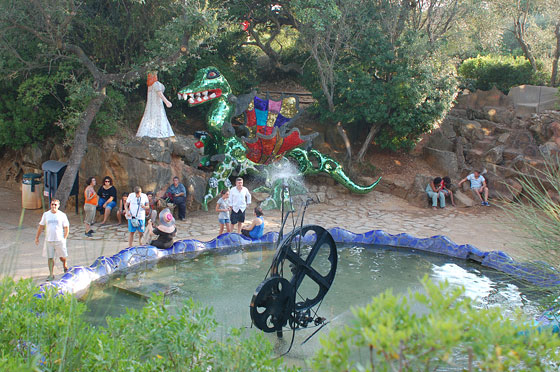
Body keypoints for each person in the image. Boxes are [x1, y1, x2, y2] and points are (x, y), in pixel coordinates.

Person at [35, 199, 69, 281]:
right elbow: (41, 226)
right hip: (49, 240)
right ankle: (51, 274)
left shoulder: (62, 215)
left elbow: (66, 227)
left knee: (62, 257)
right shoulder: (46, 214)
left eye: (55, 205)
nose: (53, 206)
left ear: (58, 206)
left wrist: (64, 237)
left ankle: (65, 265)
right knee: (50, 258)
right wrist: (37, 237)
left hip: (59, 240)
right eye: (52, 204)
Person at [136, 72, 175, 138]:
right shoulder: (155, 84)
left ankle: (149, 132)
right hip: (157, 104)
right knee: (159, 116)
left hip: (151, 105)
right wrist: (167, 102)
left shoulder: (150, 86)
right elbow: (160, 94)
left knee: (149, 116)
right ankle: (159, 133)